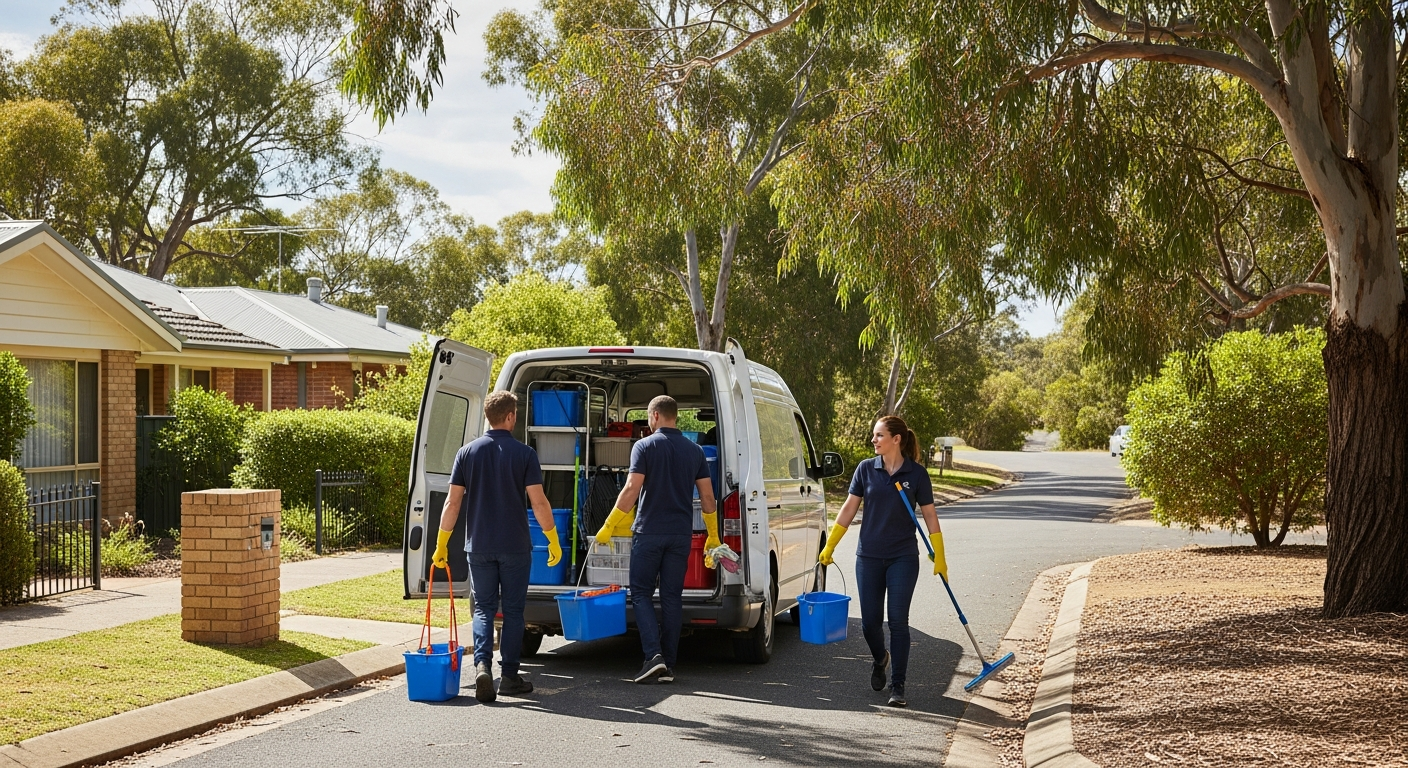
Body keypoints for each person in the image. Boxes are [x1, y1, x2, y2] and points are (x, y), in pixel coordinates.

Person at [432, 390, 562, 703]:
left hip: (478, 546)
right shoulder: (524, 454)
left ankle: (481, 667)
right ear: (509, 416)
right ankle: (510, 677)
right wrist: (552, 538)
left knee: (483, 609)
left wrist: (441, 543)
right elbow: (539, 501)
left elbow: (452, 502)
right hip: (515, 546)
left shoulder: (466, 453)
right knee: (514, 611)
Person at [818, 414, 946, 707]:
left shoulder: (917, 475)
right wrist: (831, 546)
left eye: (878, 435)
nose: (873, 440)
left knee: (899, 622)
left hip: (903, 556)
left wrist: (940, 555)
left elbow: (929, 515)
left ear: (896, 439)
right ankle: (880, 659)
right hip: (869, 556)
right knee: (869, 624)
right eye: (874, 435)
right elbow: (849, 509)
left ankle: (898, 686)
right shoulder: (865, 469)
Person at [595, 395, 719, 684]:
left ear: (654, 417)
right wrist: (713, 534)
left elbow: (631, 489)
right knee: (672, 597)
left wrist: (609, 525)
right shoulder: (695, 451)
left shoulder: (644, 446)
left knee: (640, 593)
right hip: (680, 534)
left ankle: (653, 656)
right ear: (674, 416)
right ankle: (669, 665)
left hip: (649, 532)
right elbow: (708, 496)